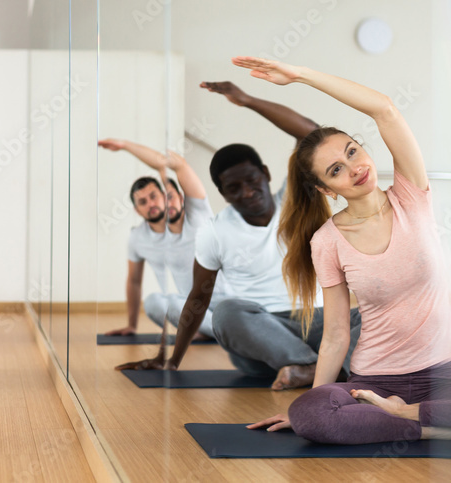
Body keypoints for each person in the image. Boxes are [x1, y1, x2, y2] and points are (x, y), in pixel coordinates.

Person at [238, 56, 451, 443]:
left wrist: (301, 75)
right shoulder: (327, 241)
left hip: (444, 382)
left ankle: (411, 418)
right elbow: (334, 336)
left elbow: (385, 109)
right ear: (327, 190)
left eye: (351, 151)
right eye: (335, 170)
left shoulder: (412, 196)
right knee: (310, 414)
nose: (353, 167)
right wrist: (312, 402)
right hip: (371, 385)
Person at [117, 83, 363, 389]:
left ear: (266, 173)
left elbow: (311, 134)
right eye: (233, 188)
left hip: (315, 322)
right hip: (260, 336)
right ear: (222, 193)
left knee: (367, 314)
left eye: (252, 180)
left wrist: (247, 100)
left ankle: (313, 370)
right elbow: (198, 299)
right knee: (226, 312)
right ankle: (322, 367)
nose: (247, 192)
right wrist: (172, 359)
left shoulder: (292, 199)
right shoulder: (215, 230)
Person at [98, 140, 225, 339]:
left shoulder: (197, 214)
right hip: (192, 307)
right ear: (137, 210)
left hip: (227, 302)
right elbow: (134, 280)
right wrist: (131, 325)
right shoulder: (138, 238)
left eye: (154, 196)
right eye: (143, 202)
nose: (151, 204)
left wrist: (124, 145)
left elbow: (175, 164)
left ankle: (217, 331)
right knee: (154, 302)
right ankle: (210, 331)